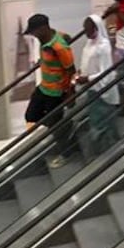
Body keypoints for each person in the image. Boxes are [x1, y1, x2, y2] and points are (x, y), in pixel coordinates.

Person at [23, 14, 77, 168]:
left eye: (34, 32)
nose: (33, 35)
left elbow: (71, 71)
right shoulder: (47, 39)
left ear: (43, 28)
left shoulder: (59, 47)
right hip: (44, 87)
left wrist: (70, 93)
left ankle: (66, 153)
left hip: (57, 92)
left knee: (56, 127)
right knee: (31, 115)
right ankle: (66, 124)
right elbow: (66, 36)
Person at [76, 14, 119, 155]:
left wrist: (87, 78)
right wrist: (81, 73)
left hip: (102, 90)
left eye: (88, 29)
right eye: (85, 29)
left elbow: (106, 72)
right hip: (92, 88)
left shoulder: (103, 47)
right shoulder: (90, 44)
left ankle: (107, 151)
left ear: (96, 28)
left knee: (102, 122)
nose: (86, 32)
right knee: (95, 121)